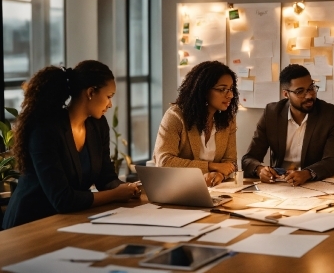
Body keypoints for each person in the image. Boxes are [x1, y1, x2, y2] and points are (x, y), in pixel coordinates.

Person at [2, 61, 139, 229]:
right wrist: (115, 194)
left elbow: (106, 177)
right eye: (109, 96)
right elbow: (63, 199)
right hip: (30, 223)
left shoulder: (98, 125)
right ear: (90, 92)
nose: (110, 104)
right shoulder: (47, 130)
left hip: (65, 221)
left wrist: (126, 188)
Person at [242, 64, 334, 186]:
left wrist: (307, 173)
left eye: (311, 88)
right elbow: (248, 159)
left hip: (314, 183)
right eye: (300, 91)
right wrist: (260, 170)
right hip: (279, 184)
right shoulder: (272, 113)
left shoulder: (330, 114)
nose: (309, 95)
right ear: (286, 94)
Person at [153, 61, 238, 187]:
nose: (230, 95)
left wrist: (220, 175)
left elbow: (230, 162)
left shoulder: (227, 119)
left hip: (214, 190)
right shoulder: (175, 116)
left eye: (231, 89)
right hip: (176, 188)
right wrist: (211, 166)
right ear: (203, 91)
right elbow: (164, 161)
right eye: (222, 89)